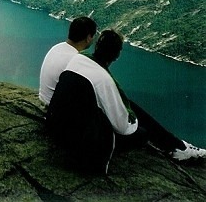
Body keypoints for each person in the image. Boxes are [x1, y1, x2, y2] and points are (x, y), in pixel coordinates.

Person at [45, 29, 206, 174]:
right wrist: (133, 119)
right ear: (117, 54)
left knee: (129, 107)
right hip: (77, 139)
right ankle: (177, 148)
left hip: (57, 126)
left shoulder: (78, 60)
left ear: (96, 47)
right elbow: (122, 128)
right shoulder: (104, 80)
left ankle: (176, 145)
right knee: (142, 133)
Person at [39, 16, 97, 106]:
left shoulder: (57, 47)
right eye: (93, 36)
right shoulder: (76, 60)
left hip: (43, 98)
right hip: (53, 108)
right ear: (88, 37)